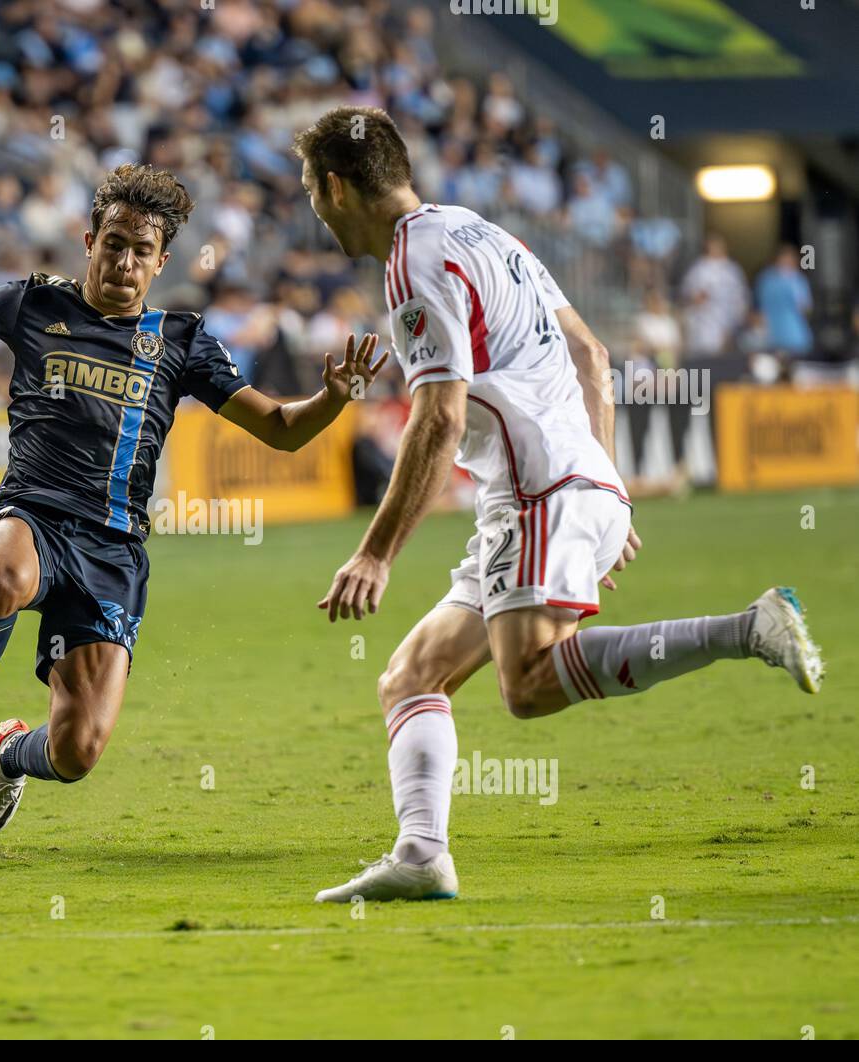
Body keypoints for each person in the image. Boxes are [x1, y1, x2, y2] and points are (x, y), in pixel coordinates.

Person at [292, 107, 823, 903]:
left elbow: (437, 417)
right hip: (559, 488)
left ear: (335, 187)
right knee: (411, 675)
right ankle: (420, 855)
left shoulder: (413, 265)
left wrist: (376, 552)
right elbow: (591, 352)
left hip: (538, 492)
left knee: (527, 686)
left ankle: (748, 628)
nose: (312, 207)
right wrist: (603, 483)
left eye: (310, 190)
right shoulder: (482, 232)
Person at [0, 163, 386, 836]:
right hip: (29, 515)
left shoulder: (179, 341)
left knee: (77, 752)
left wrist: (333, 400)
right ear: (90, 242)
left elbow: (282, 430)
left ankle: (11, 756)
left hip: (111, 549)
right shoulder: (35, 303)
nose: (125, 261)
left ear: (161, 261)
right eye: (114, 243)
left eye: (142, 251)